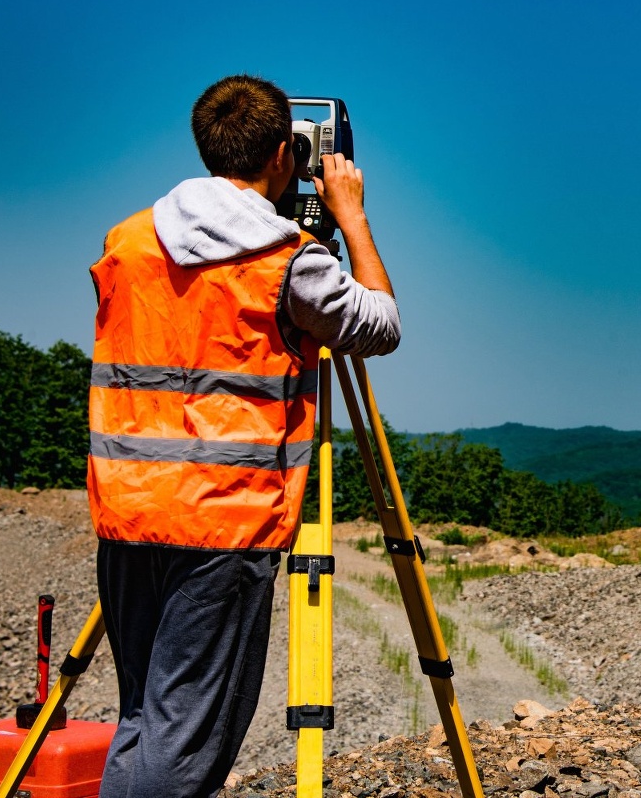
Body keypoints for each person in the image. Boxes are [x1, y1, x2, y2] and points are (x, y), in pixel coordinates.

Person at [86, 75, 401, 797]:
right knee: (186, 739)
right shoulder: (288, 261)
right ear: (285, 156)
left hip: (127, 510)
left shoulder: (126, 241)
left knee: (141, 715)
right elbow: (380, 324)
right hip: (222, 521)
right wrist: (351, 217)